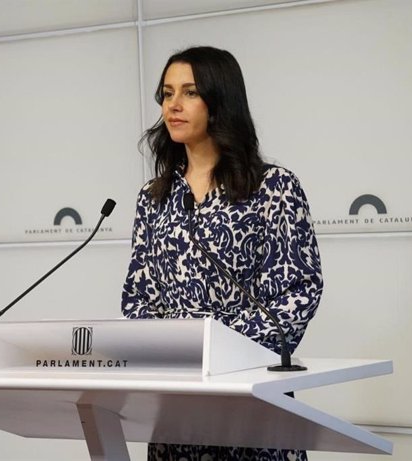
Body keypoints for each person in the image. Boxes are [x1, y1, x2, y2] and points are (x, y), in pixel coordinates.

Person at [121, 46, 324, 461]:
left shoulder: (272, 188)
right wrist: (173, 354)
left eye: (190, 92)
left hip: (249, 401)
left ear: (221, 100)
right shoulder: (153, 198)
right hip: (178, 409)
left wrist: (219, 351)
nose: (173, 105)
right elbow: (139, 298)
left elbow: (297, 290)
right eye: (166, 93)